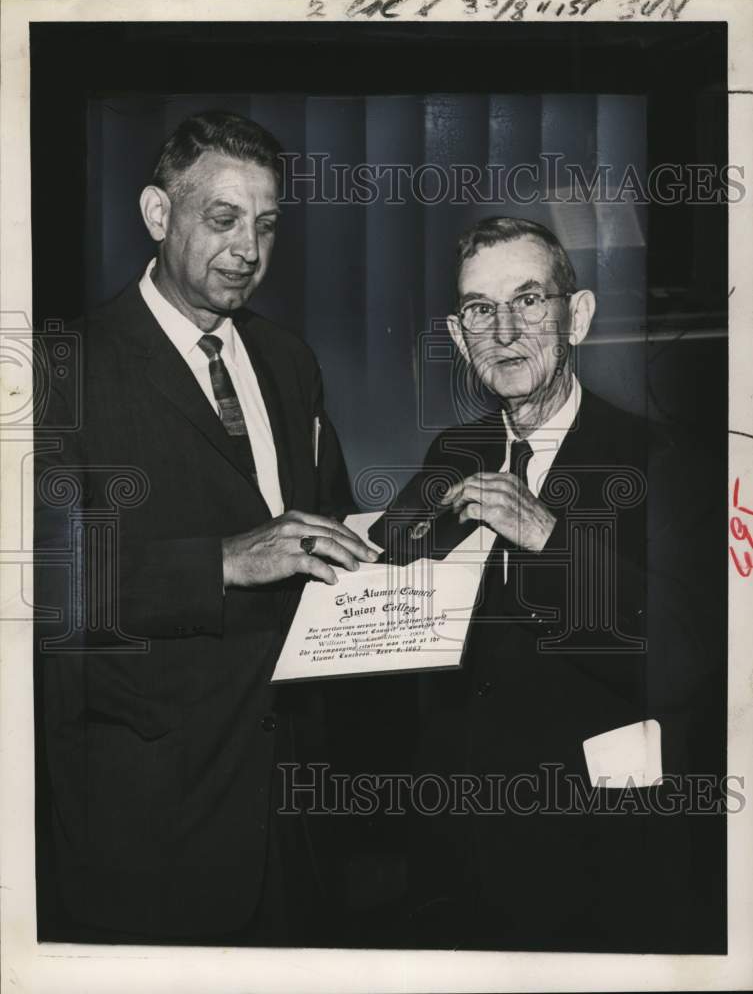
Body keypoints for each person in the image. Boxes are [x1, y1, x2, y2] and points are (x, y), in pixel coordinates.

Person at [33, 111, 377, 945]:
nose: (248, 249)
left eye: (264, 225)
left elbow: (317, 530)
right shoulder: (61, 368)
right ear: (158, 215)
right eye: (222, 220)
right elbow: (39, 588)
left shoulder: (289, 361)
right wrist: (220, 563)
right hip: (149, 825)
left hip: (290, 817)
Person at [371, 216, 725, 953]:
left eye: (528, 299)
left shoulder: (661, 457)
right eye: (478, 309)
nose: (503, 330)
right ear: (457, 331)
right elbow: (387, 591)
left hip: (594, 873)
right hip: (454, 863)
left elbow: (685, 663)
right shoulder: (452, 452)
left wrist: (549, 540)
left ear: (579, 315)